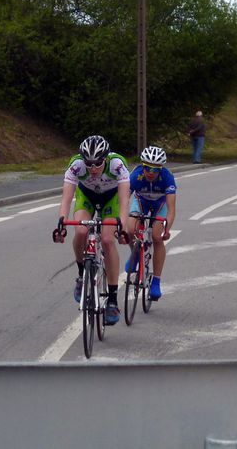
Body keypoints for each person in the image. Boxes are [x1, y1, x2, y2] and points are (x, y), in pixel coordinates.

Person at [52, 135, 130, 325]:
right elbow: (66, 198)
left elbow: (124, 200)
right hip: (86, 196)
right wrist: (61, 222)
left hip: (111, 199)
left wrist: (123, 225)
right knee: (80, 231)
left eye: (98, 163)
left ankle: (112, 300)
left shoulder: (117, 164)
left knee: (107, 240)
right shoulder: (76, 165)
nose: (93, 168)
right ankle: (81, 276)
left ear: (106, 158)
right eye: (89, 163)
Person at [124, 146, 177, 301]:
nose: (151, 173)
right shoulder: (136, 175)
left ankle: (156, 282)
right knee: (129, 229)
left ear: (161, 169)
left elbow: (171, 208)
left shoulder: (167, 177)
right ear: (142, 166)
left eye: (155, 169)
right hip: (141, 201)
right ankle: (135, 255)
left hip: (160, 205)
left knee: (156, 236)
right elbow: (125, 200)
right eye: (147, 168)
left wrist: (167, 229)